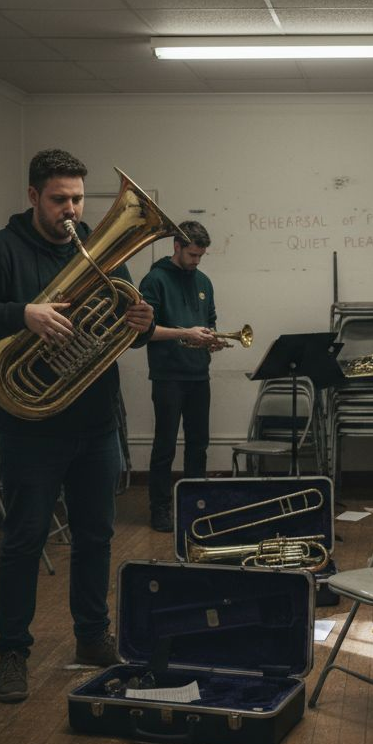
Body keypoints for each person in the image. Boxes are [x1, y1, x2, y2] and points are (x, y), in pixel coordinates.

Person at [0, 148, 155, 703]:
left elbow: (126, 325)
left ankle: (92, 635)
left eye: (77, 199)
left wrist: (141, 322)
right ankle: (12, 650)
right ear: (34, 196)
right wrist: (22, 314)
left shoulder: (101, 250)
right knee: (24, 540)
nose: (71, 210)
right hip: (29, 426)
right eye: (60, 199)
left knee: (96, 536)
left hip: (95, 422)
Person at [139, 221, 223, 532]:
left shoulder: (204, 281)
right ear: (177, 246)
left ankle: (194, 505)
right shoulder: (155, 280)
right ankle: (159, 509)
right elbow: (145, 331)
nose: (196, 261)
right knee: (165, 445)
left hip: (199, 374)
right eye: (192, 255)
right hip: (168, 375)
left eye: (200, 256)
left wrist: (212, 340)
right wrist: (185, 333)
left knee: (199, 444)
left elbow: (210, 320)